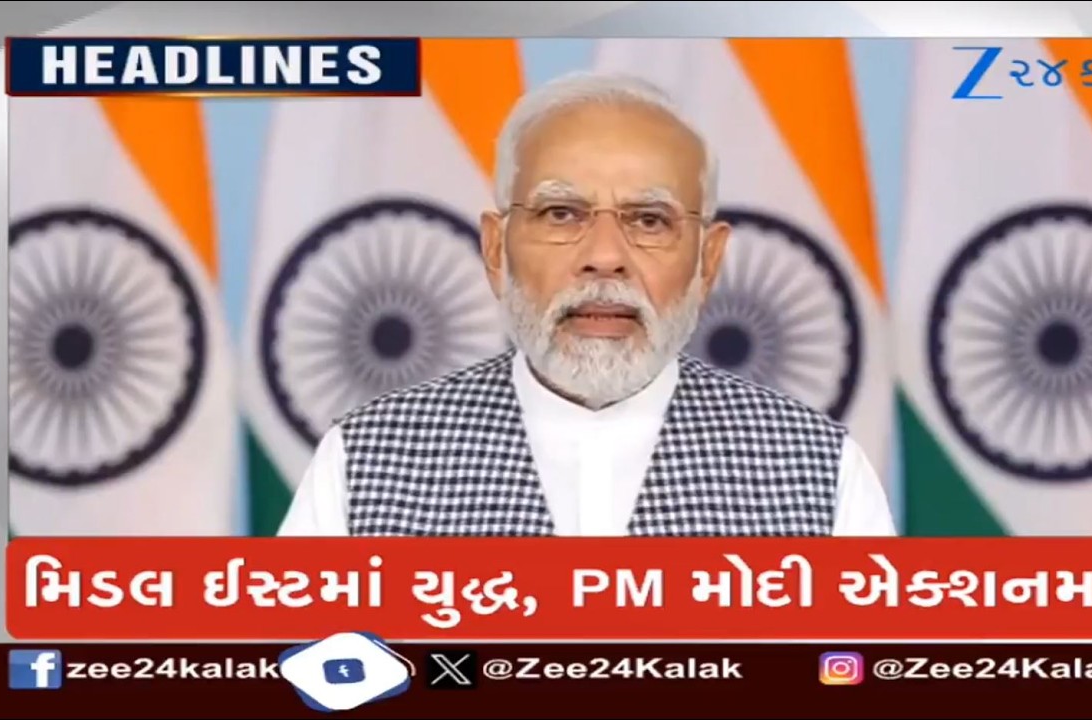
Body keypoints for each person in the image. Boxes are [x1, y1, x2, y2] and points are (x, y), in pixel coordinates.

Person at [277, 71, 897, 538]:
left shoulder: (817, 469)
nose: (604, 257)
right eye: (561, 214)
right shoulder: (367, 461)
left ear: (708, 261)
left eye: (649, 220)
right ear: (495, 250)